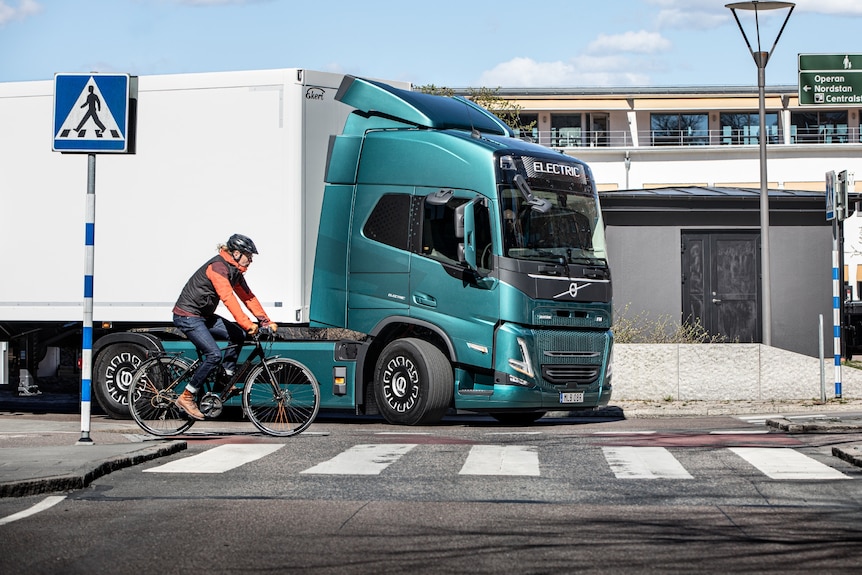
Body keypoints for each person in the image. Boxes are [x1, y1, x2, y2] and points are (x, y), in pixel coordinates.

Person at [172, 233, 278, 420]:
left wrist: (265, 320)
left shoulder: (234, 271)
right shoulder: (218, 267)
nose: (251, 260)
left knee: (237, 335)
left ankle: (225, 379)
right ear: (236, 253)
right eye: (249, 255)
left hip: (203, 316)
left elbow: (248, 297)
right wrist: (248, 324)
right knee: (213, 354)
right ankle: (187, 397)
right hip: (187, 316)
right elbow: (228, 298)